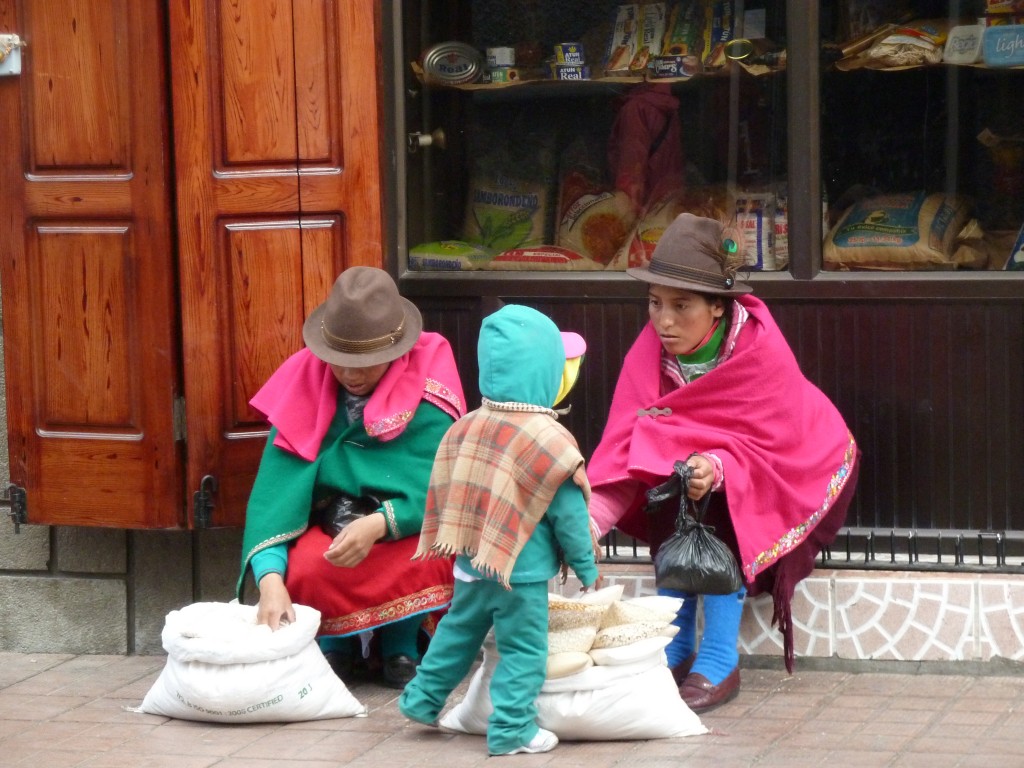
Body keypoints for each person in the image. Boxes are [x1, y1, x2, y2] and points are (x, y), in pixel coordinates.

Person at [587, 213, 860, 713]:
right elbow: (629, 448)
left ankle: (717, 658)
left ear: (718, 308)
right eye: (654, 304)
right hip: (698, 476)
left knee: (717, 497)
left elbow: (768, 447)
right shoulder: (648, 355)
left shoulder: (760, 353)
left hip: (802, 461)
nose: (663, 321)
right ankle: (678, 645)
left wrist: (718, 467)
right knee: (672, 491)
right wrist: (590, 521)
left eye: (681, 306)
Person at [237, 266, 466, 689]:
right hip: (329, 530)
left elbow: (448, 489)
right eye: (340, 362)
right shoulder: (303, 389)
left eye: (367, 363)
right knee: (304, 567)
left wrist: (381, 522)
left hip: (404, 529)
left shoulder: (430, 393)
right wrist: (269, 581)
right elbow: (274, 500)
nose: (352, 375)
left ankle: (401, 644)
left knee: (432, 553)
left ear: (398, 352)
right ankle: (333, 648)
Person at [398, 304, 598, 756]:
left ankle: (421, 699)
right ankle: (512, 730)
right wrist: (587, 570)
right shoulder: (549, 439)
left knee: (456, 634)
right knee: (524, 653)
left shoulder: (467, 425)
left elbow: (450, 489)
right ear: (547, 372)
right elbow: (567, 517)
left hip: (470, 561)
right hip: (519, 576)